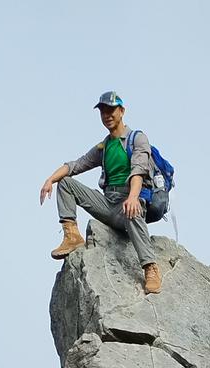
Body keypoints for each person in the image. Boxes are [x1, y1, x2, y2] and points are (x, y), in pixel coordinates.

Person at [39, 90, 162, 295]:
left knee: (132, 209)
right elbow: (77, 165)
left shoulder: (137, 139)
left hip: (129, 202)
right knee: (66, 183)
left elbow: (138, 171)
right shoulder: (104, 146)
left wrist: (133, 197)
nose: (107, 115)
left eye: (111, 110)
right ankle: (72, 236)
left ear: (122, 111)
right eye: (103, 111)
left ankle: (150, 267)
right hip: (108, 204)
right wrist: (51, 179)